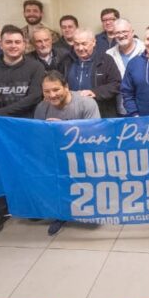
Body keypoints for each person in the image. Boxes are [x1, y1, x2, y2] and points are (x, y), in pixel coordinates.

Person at [0, 25, 47, 234]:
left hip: (26, 127)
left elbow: (34, 97)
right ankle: (0, 211)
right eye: (8, 42)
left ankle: (31, 205)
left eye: (18, 42)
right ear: (0, 44)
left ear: (24, 45)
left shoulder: (36, 67)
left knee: (28, 168)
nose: (13, 46)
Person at [34, 71, 101, 236]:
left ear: (66, 87)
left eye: (56, 89)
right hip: (57, 155)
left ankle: (89, 208)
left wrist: (64, 127)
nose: (52, 95)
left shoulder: (86, 103)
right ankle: (60, 214)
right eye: (47, 91)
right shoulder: (42, 108)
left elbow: (95, 135)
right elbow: (38, 138)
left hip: (84, 155)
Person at [63, 29, 121, 118]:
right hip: (73, 113)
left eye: (84, 44)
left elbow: (116, 84)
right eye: (77, 44)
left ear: (93, 42)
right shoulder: (67, 61)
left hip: (101, 112)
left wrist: (94, 92)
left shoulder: (106, 60)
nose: (80, 48)